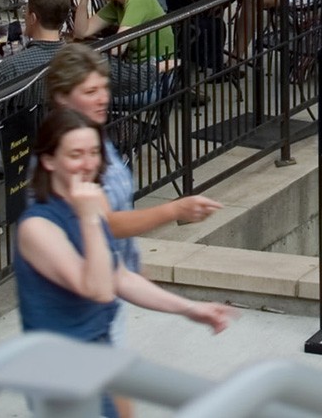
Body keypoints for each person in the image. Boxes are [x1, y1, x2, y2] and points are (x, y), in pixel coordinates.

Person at [13, 106, 231, 415]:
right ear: (49, 161)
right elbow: (98, 289)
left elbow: (120, 276)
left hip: (97, 351)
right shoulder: (37, 227)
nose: (88, 164)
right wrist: (91, 220)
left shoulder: (88, 207)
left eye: (93, 153)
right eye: (75, 154)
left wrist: (191, 309)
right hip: (60, 371)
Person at [40, 47, 225, 334]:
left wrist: (189, 308)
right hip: (74, 324)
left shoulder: (96, 138)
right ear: (63, 98)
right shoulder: (63, 164)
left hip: (107, 308)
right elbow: (105, 224)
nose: (103, 98)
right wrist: (174, 209)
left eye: (104, 88)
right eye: (90, 92)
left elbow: (117, 272)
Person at [82, 0, 175, 81]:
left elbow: (117, 48)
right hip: (138, 71)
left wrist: (89, 53)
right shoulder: (118, 3)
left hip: (157, 76)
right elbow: (82, 31)